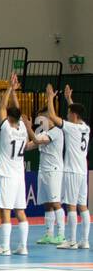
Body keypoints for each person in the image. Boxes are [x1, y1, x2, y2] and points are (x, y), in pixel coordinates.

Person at [0, 75, 31, 256]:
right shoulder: (22, 128)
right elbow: (17, 110)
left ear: (10, 118)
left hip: (7, 175)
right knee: (20, 211)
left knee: (5, 210)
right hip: (19, 175)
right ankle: (23, 246)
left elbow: (2, 107)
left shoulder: (7, 128)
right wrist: (14, 91)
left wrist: (8, 88)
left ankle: (5, 247)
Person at [49, 84, 91, 250]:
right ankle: (85, 241)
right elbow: (75, 112)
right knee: (83, 206)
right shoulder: (85, 127)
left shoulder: (72, 128)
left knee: (72, 206)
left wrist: (50, 97)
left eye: (68, 113)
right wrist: (68, 99)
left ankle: (72, 240)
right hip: (82, 171)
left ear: (73, 115)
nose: (67, 115)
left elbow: (52, 116)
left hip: (72, 170)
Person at [32, 103, 66, 245]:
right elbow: (30, 144)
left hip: (54, 171)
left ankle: (61, 235)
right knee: (47, 204)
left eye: (42, 118)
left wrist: (28, 127)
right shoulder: (42, 132)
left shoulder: (57, 132)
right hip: (43, 171)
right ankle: (49, 234)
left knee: (55, 202)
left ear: (49, 118)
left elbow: (38, 141)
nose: (40, 121)